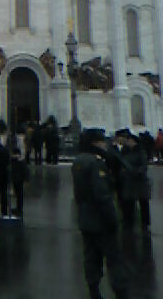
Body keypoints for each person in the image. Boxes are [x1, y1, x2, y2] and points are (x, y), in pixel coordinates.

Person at [72, 128, 129, 299]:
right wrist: (112, 219)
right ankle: (121, 292)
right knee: (113, 258)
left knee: (91, 255)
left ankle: (93, 289)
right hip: (100, 220)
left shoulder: (79, 161)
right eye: (102, 141)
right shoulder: (96, 163)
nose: (105, 144)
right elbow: (102, 195)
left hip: (85, 218)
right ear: (95, 143)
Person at [119, 131, 151, 230]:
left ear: (134, 142)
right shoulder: (125, 151)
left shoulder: (141, 151)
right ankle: (129, 222)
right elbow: (122, 165)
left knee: (143, 203)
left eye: (130, 141)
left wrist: (137, 172)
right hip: (129, 182)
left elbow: (144, 166)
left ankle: (145, 223)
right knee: (129, 203)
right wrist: (124, 173)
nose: (128, 142)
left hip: (140, 181)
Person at [11, 147, 29, 217]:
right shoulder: (22, 161)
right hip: (20, 180)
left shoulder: (12, 160)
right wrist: (27, 180)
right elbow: (25, 171)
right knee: (20, 195)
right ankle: (19, 208)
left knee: (17, 194)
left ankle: (18, 208)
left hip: (14, 179)